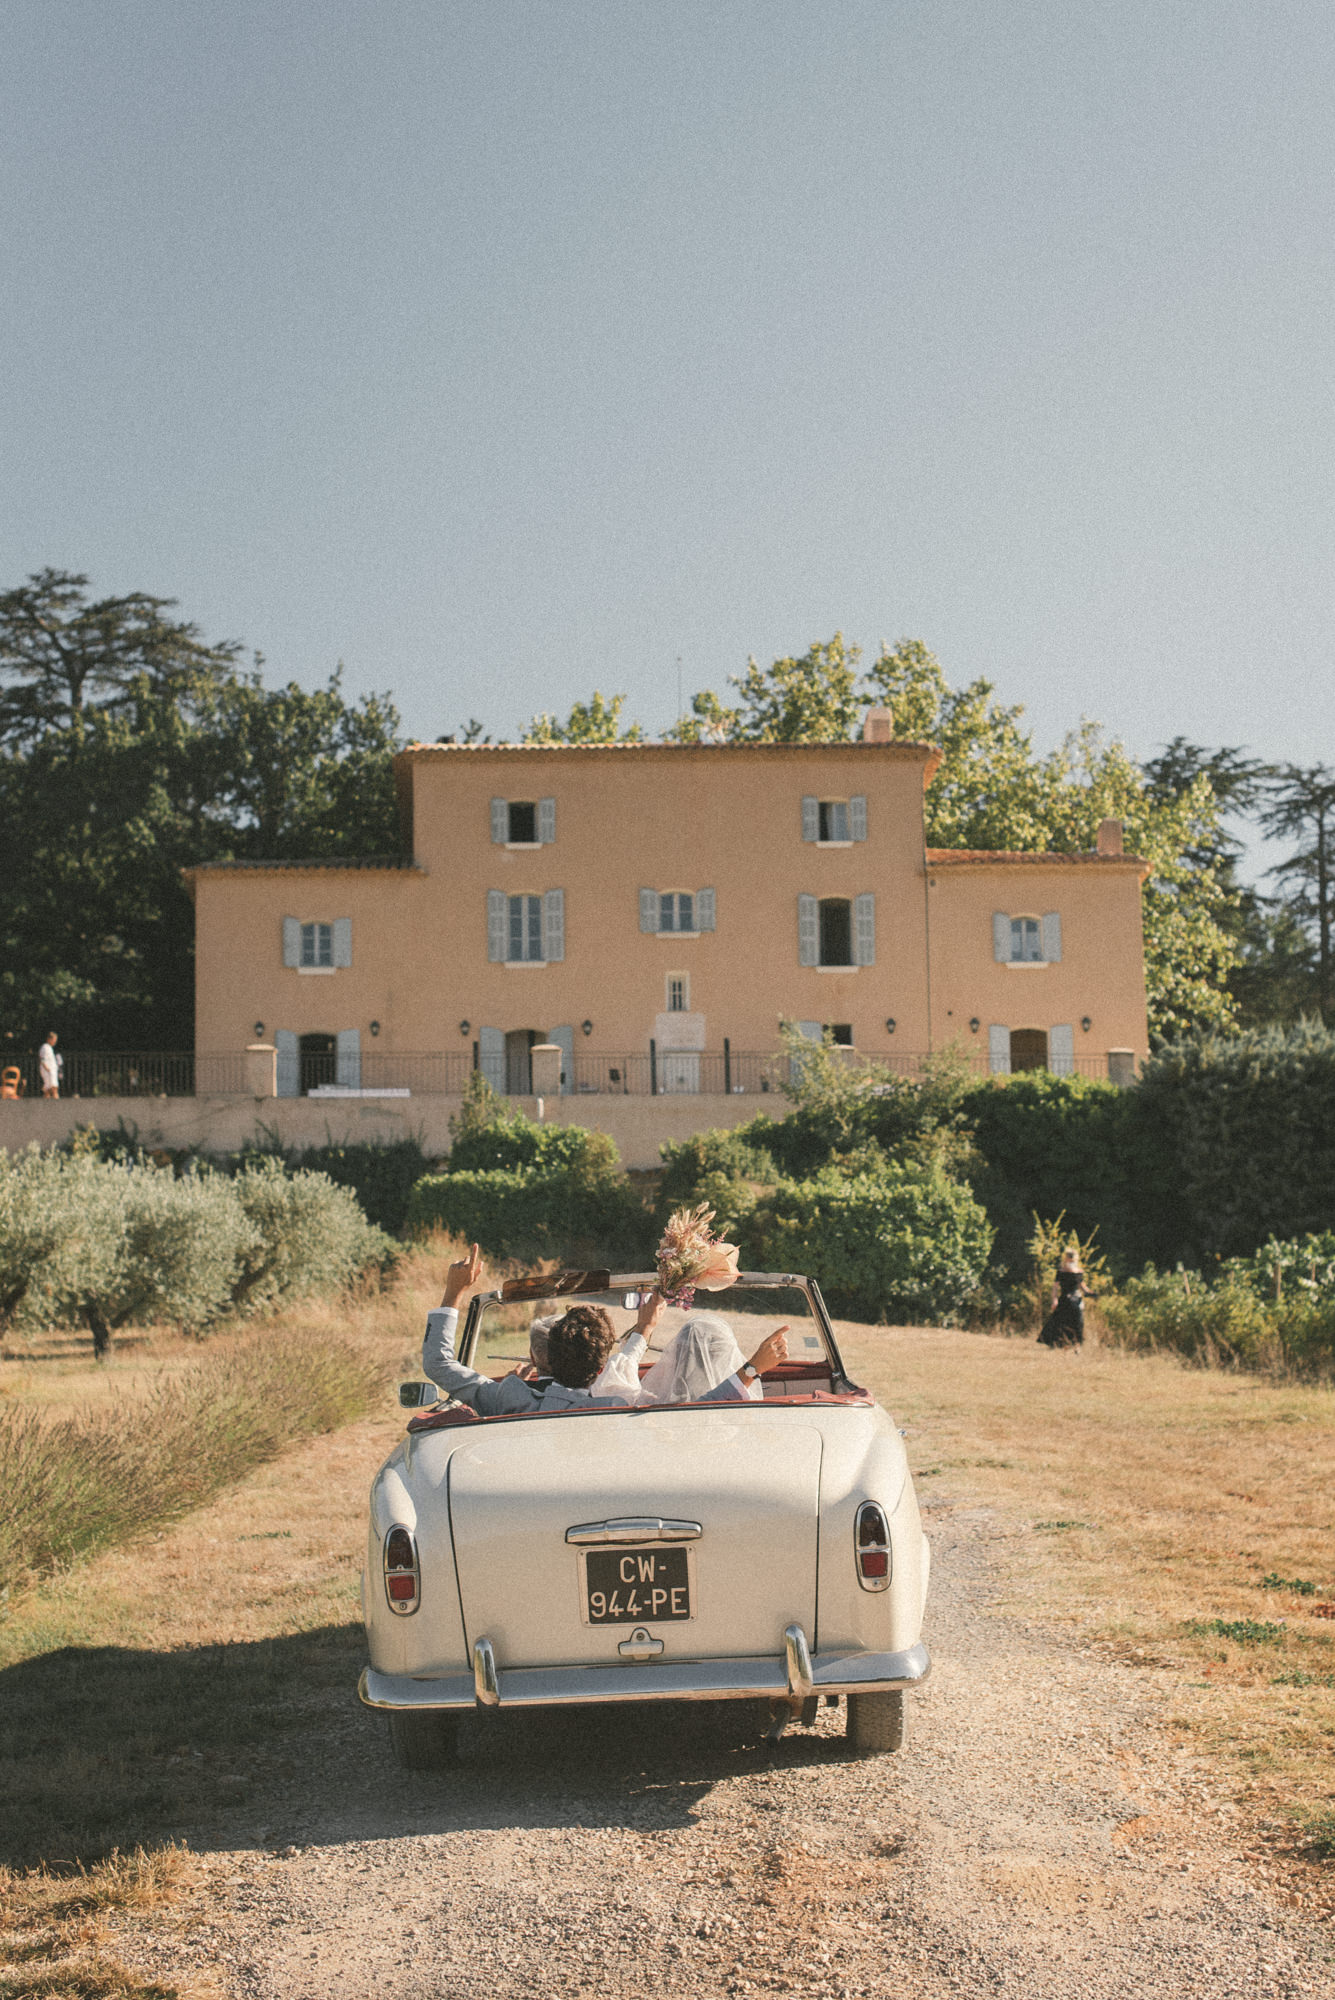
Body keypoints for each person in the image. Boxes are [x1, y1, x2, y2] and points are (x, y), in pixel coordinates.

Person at [421, 1245, 661, 1415]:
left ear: (542, 1358)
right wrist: (644, 1327)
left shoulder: (512, 1398)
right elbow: (626, 1362)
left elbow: (438, 1364)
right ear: (600, 1369)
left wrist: (453, 1292)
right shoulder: (618, 1406)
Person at [636, 1311, 789, 1405]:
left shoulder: (648, 1402)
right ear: (727, 1355)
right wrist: (753, 1368)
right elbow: (704, 1406)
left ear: (678, 1352)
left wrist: (644, 1327)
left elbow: (619, 1380)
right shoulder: (732, 1410)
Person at [1038, 1247, 1087, 1349]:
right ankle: (1057, 1343)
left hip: (1076, 1299)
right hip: (1064, 1298)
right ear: (1066, 1258)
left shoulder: (1079, 1272)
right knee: (1059, 1321)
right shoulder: (1061, 1272)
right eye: (1069, 1258)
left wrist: (1092, 1293)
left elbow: (1082, 1286)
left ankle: (1076, 1344)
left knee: (1077, 1321)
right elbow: (1055, 1287)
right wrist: (1054, 1300)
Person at [38, 1032, 61, 1099]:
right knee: (54, 1088)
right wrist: (48, 1069)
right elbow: (42, 1059)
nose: (55, 1042)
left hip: (52, 1071)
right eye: (54, 1040)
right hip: (48, 1071)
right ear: (49, 1039)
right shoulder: (44, 1047)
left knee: (48, 1090)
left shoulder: (50, 1048)